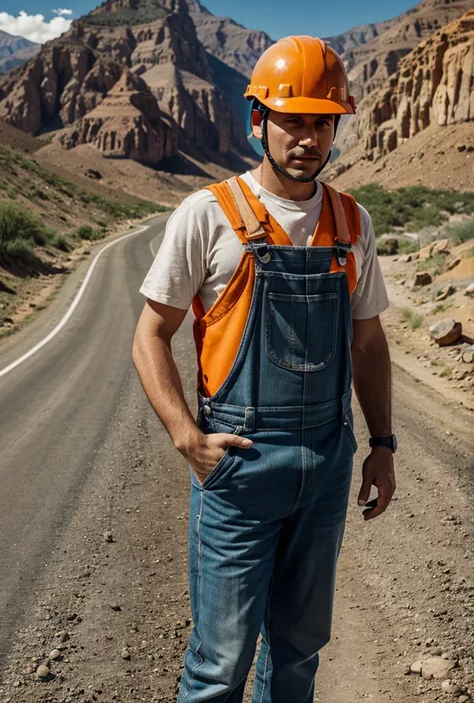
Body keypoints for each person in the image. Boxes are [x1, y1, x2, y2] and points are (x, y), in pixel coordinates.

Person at [133, 35, 396, 703]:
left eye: (322, 122)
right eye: (293, 120)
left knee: (300, 653)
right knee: (220, 663)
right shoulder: (208, 215)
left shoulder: (350, 220)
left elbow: (368, 345)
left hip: (328, 459)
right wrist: (187, 439)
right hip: (240, 467)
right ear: (259, 121)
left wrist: (383, 444)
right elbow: (149, 337)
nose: (308, 137)